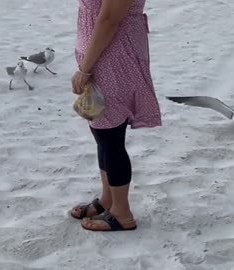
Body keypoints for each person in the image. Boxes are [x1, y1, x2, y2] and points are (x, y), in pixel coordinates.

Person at [69, 0, 161, 231]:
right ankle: (108, 199)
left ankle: (122, 213)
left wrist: (84, 69)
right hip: (104, 53)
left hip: (114, 56)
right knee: (103, 132)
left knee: (110, 136)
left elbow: (109, 19)